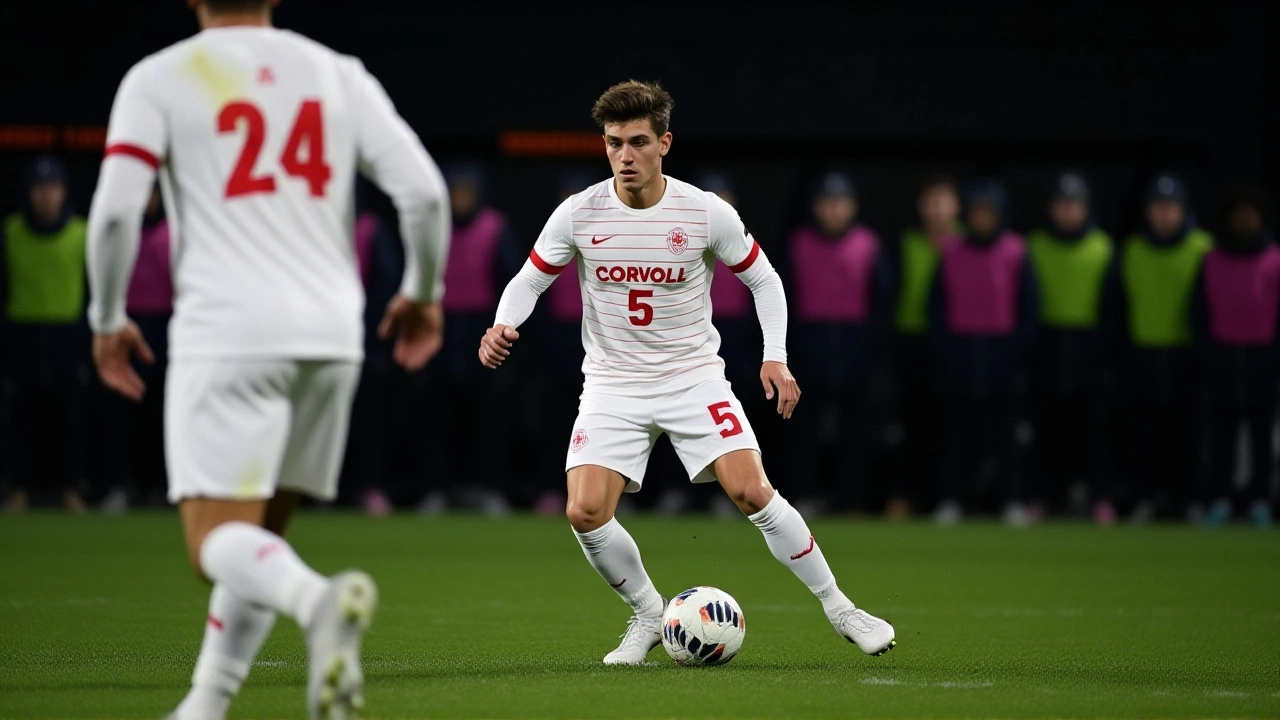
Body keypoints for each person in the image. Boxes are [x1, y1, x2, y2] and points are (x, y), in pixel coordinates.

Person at [85, 1, 450, 717]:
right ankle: (205, 704)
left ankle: (316, 603)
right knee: (256, 544)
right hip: (332, 337)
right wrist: (422, 293)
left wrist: (104, 318)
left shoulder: (159, 77)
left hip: (229, 331)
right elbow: (425, 196)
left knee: (213, 544)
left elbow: (118, 211)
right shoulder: (337, 72)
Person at [478, 80, 895, 665]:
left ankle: (841, 608)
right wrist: (502, 324)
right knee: (584, 511)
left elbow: (764, 279)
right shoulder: (578, 213)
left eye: (638, 142)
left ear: (664, 143)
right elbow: (530, 279)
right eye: (614, 143)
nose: (625, 155)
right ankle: (649, 613)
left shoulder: (703, 211)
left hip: (692, 377)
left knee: (751, 490)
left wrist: (774, 355)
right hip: (613, 384)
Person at [928, 180, 1039, 525]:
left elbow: (1029, 308)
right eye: (976, 212)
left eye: (989, 213)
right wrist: (949, 350)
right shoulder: (951, 251)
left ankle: (1011, 500)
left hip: (1003, 357)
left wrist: (1013, 352)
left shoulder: (1016, 250)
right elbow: (936, 307)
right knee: (956, 437)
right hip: (961, 356)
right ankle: (951, 499)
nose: (982, 219)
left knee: (1007, 438)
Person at [783, 171, 892, 514]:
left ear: (852, 207)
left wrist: (870, 348)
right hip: (808, 349)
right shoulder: (798, 243)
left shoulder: (869, 244)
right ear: (816, 207)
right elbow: (782, 298)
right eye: (827, 203)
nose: (834, 210)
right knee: (803, 432)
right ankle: (802, 496)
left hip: (854, 349)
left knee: (855, 433)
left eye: (840, 203)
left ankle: (851, 500)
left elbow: (882, 302)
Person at [426, 161, 523, 515]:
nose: (460, 199)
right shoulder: (436, 226)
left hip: (484, 333)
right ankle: (438, 490)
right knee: (439, 421)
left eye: (466, 192)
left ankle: (491, 490)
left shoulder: (494, 228)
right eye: (455, 192)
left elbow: (512, 285)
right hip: (442, 334)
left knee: (489, 422)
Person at [1025, 172, 1120, 524]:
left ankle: (1101, 499)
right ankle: (1041, 498)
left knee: (1093, 434)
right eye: (1061, 204)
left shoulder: (1102, 247)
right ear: (1051, 208)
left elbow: (1112, 307)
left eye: (1074, 205)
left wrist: (1103, 351)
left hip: (1089, 349)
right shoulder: (1033, 246)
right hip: (1047, 348)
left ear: (1085, 208)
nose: (1067, 212)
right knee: (1044, 434)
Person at [1118, 173, 1212, 523]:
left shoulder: (1204, 248)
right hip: (1144, 351)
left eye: (1171, 207)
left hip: (1187, 352)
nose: (1164, 214)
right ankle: (1144, 498)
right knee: (1143, 436)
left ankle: (1191, 500)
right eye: (1158, 206)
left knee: (1189, 435)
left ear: (1184, 210)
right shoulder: (1132, 249)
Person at [1, 155, 90, 514]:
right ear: (28, 193)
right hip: (22, 334)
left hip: (67, 334)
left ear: (64, 192)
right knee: (19, 421)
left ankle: (70, 488)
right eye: (39, 189)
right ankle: (18, 489)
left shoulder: (81, 233)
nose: (46, 196)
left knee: (69, 421)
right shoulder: (10, 231)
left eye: (52, 188)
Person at [1191, 187, 1278, 528]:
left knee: (1261, 440)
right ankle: (1220, 499)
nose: (1245, 220)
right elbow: (1199, 313)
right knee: (1221, 439)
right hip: (1223, 360)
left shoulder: (1275, 259)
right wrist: (1209, 354)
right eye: (1239, 214)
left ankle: (1260, 501)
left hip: (1263, 361)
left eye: (1250, 214)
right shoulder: (1212, 260)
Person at [889, 175, 962, 519]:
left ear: (956, 207)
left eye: (943, 202)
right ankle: (908, 497)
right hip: (911, 342)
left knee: (950, 426)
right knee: (912, 425)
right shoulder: (906, 243)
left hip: (955, 344)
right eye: (931, 202)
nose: (937, 210)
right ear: (921, 207)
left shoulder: (966, 243)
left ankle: (948, 498)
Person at [100, 184, 174, 513]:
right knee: (122, 412)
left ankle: (163, 486)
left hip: (165, 326)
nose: (147, 200)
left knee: (162, 412)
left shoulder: (173, 232)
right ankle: (119, 485)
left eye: (152, 193)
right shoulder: (119, 232)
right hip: (125, 324)